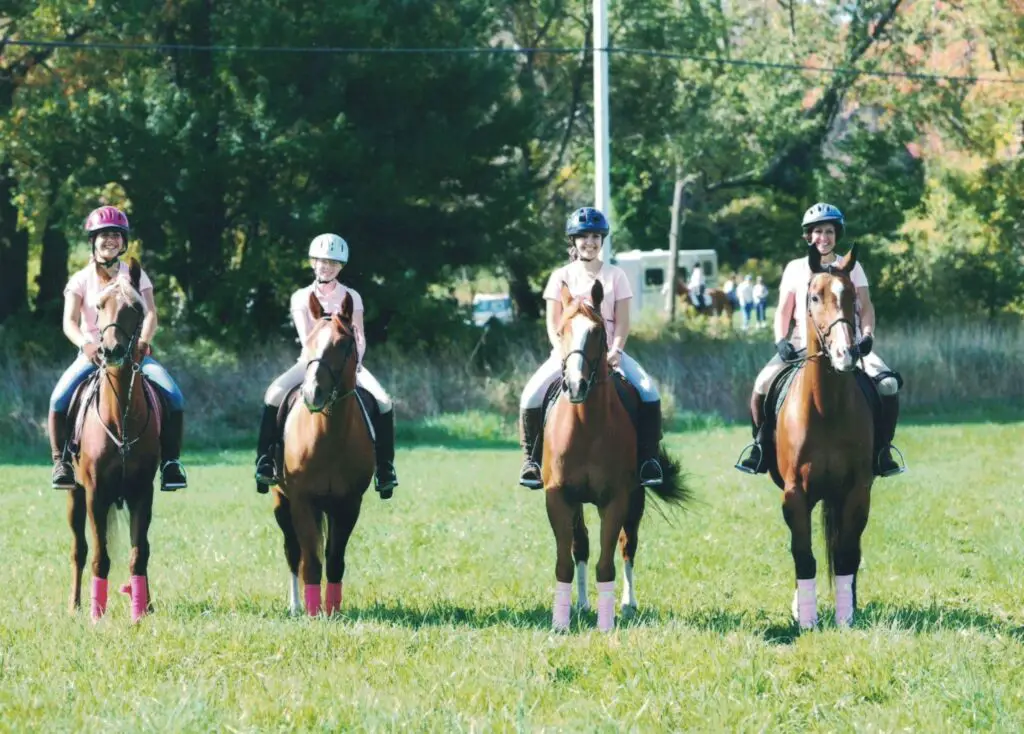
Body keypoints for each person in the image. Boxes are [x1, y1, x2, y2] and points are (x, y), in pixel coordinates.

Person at [735, 203, 904, 477]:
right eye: (817, 232)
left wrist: (868, 335)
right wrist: (781, 340)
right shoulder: (794, 268)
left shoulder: (851, 266)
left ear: (836, 235)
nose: (823, 238)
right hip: (802, 344)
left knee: (887, 384)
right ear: (809, 236)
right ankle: (761, 448)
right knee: (762, 383)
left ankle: (883, 450)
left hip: (850, 342)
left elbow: (866, 305)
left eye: (829, 231)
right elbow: (783, 310)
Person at [518, 207, 664, 489]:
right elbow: (553, 324)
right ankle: (531, 461)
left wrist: (616, 351)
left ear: (602, 240)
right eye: (583, 237)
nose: (590, 242)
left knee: (648, 391)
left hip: (608, 353)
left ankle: (649, 460)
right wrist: (562, 352)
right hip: (567, 354)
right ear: (573, 241)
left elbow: (622, 323)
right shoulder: (560, 276)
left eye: (595, 236)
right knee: (530, 395)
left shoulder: (616, 276)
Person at [48, 206, 188, 491]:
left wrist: (143, 342)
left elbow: (150, 314)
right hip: (94, 355)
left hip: (134, 353)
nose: (109, 240)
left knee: (174, 395)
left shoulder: (136, 276)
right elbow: (69, 322)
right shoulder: (79, 280)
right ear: (93, 240)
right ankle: (61, 461)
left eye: (115, 235)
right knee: (58, 399)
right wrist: (86, 345)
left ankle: (171, 463)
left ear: (123, 241)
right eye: (103, 235)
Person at [254, 234, 398, 499]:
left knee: (384, 401)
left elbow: (360, 335)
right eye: (322, 262)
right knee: (273, 394)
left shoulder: (351, 296)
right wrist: (314, 364)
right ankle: (266, 460)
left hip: (348, 363)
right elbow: (307, 337)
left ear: (341, 267)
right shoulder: (301, 297)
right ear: (313, 263)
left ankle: (385, 468)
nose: (327, 267)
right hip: (311, 362)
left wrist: (356, 362)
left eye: (333, 263)